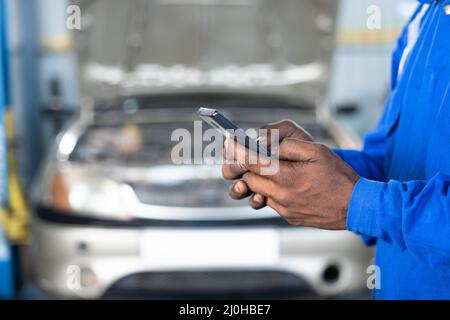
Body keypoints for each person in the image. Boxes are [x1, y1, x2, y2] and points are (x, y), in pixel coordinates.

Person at [222, 0, 450, 299]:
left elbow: (374, 200)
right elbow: (391, 167)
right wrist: (306, 165)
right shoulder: (422, 20)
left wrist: (358, 203)